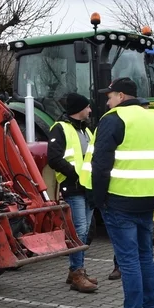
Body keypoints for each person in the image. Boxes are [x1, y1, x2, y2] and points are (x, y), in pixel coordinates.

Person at [91, 77, 154, 308]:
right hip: (149, 197)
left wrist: (98, 198)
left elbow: (101, 165)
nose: (108, 100)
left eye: (110, 96)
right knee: (145, 255)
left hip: (120, 199)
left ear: (121, 96)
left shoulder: (113, 119)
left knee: (128, 260)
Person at [47, 92, 98, 293]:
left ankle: (76, 271)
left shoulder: (87, 130)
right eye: (87, 107)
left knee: (83, 231)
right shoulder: (60, 129)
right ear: (79, 109)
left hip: (87, 186)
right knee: (80, 230)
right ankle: (77, 272)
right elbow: (54, 158)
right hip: (74, 186)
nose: (90, 110)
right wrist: (74, 173)